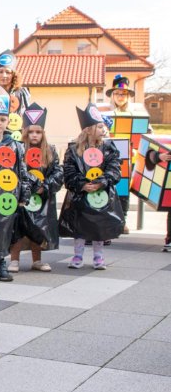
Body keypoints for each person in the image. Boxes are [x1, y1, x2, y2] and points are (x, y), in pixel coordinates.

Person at [60, 104, 122, 270]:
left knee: (98, 226)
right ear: (88, 129)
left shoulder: (109, 148)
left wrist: (101, 182)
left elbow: (114, 169)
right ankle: (77, 255)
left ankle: (98, 256)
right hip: (81, 195)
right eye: (100, 127)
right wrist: (82, 185)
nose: (104, 130)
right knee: (80, 227)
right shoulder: (73, 150)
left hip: (101, 194)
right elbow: (68, 171)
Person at [0, 86, 30, 282]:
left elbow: (22, 172)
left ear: (8, 121)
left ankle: (1, 262)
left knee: (5, 230)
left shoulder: (16, 146)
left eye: (2, 119)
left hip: (8, 196)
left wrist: (23, 196)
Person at [9, 103, 63, 272]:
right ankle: (14, 260)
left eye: (38, 132)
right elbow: (14, 172)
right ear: (25, 132)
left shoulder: (50, 151)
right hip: (22, 197)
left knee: (38, 227)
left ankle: (36, 260)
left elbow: (57, 173)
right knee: (18, 228)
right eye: (31, 131)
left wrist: (45, 187)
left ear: (43, 134)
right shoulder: (17, 150)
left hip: (42, 198)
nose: (34, 135)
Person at [105, 74, 138, 234]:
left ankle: (122, 221)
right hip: (108, 157)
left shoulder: (134, 114)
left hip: (128, 158)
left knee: (123, 191)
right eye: (117, 93)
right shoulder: (105, 112)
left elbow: (143, 136)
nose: (120, 96)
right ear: (112, 95)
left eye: (123, 94)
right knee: (109, 188)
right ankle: (108, 220)